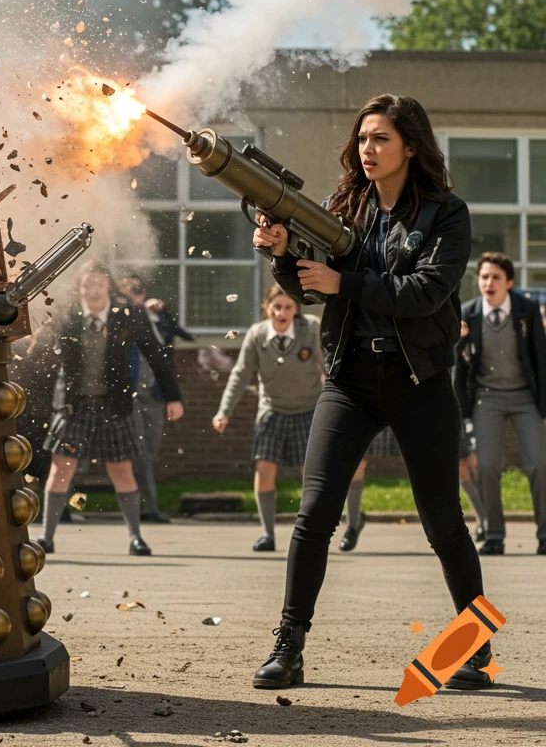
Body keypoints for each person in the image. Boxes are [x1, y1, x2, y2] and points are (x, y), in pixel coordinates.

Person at [250, 93, 490, 692]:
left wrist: (346, 282)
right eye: (362, 138)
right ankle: (288, 647)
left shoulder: (446, 213)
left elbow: (426, 292)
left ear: (410, 145)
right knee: (314, 514)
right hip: (350, 379)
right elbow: (312, 288)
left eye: (380, 138)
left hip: (419, 381)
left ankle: (475, 651)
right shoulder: (345, 208)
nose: (368, 149)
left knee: (444, 523)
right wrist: (282, 256)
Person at [34, 260, 184, 557]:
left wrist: (173, 397)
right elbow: (38, 351)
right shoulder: (65, 313)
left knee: (121, 468)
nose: (93, 290)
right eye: (87, 284)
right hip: (73, 405)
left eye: (99, 284)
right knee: (61, 468)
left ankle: (136, 538)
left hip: (114, 404)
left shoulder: (128, 313)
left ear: (108, 287)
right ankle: (46, 537)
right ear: (79, 287)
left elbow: (156, 354)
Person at [212, 286, 324, 551]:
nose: (281, 313)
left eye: (288, 307)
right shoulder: (257, 334)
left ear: (296, 309)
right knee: (264, 470)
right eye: (277, 307)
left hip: (308, 408)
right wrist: (223, 411)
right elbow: (240, 375)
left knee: (309, 473)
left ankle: (314, 532)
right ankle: (267, 534)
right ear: (267, 307)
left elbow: (327, 365)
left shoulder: (310, 329)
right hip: (272, 409)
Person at [454, 252, 546, 556]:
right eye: (484, 277)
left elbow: (541, 358)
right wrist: (460, 340)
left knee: (539, 463)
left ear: (509, 282)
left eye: (495, 277)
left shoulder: (527, 310)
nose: (488, 283)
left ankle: (545, 534)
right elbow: (458, 367)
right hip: (487, 397)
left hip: (524, 396)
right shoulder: (468, 313)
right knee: (488, 465)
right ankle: (494, 534)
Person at [118, 274, 193, 523]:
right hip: (129, 396)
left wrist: (160, 313)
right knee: (137, 452)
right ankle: (145, 507)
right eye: (128, 293)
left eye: (138, 292)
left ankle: (148, 507)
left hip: (154, 395)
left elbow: (177, 338)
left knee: (149, 453)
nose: (134, 298)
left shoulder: (157, 320)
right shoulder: (119, 318)